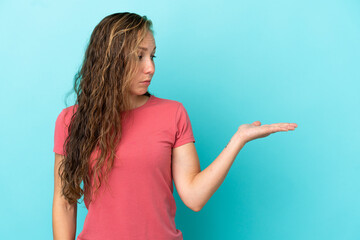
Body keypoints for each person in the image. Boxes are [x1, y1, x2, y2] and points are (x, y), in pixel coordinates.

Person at [52, 12, 298, 240]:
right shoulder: (71, 120)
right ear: (112, 60)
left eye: (152, 55)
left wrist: (238, 140)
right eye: (139, 56)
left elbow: (194, 197)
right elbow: (65, 202)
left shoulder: (173, 114)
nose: (151, 67)